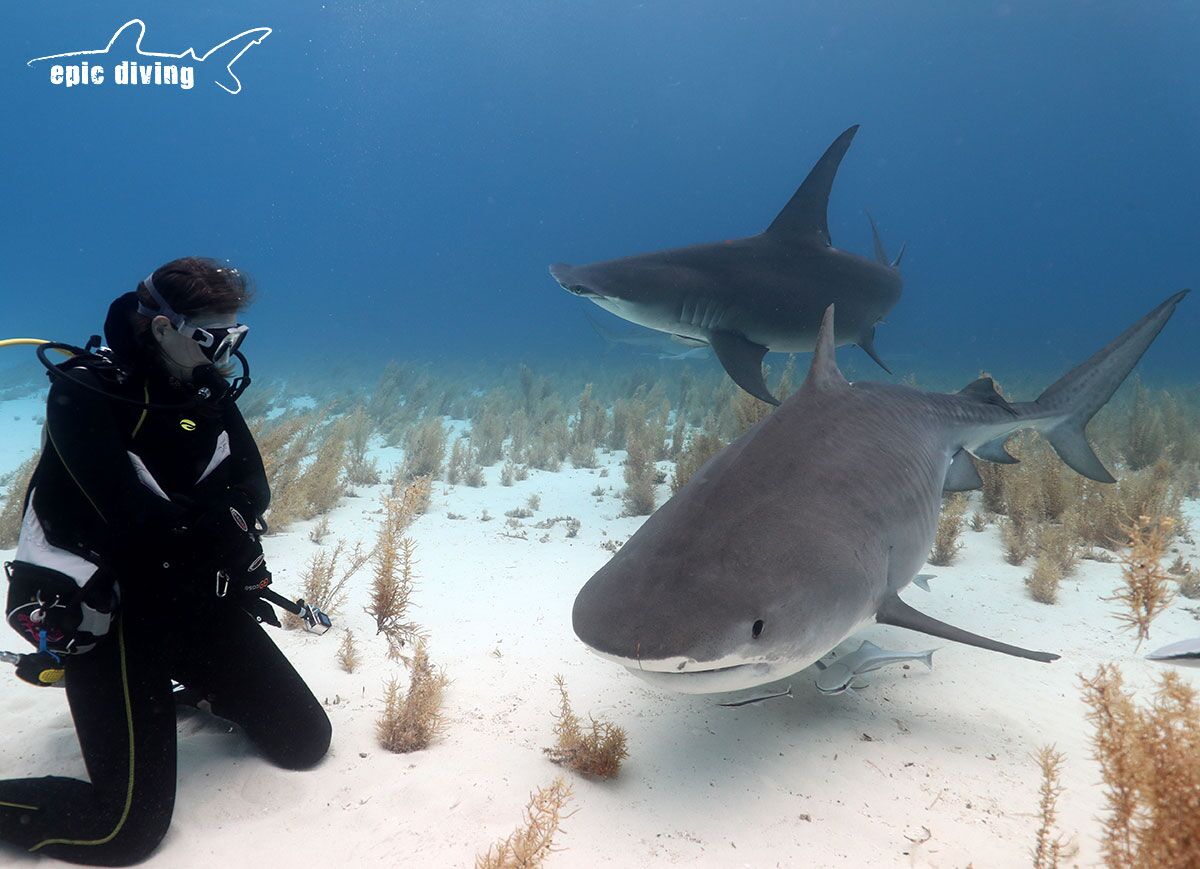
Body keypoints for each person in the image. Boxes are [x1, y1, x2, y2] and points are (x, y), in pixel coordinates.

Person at [0, 258, 331, 865]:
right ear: (161, 328)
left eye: (236, 335)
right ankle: (105, 687)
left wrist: (225, 530)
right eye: (210, 336)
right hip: (111, 613)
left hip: (191, 598)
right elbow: (129, 518)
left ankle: (182, 692)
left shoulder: (205, 387)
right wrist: (214, 527)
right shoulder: (83, 392)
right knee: (121, 831)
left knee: (305, 741)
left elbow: (252, 485)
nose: (225, 349)